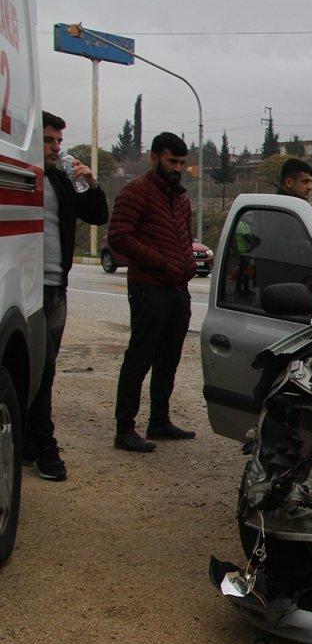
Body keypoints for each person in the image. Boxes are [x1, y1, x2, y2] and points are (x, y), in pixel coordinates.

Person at [25, 112, 109, 480]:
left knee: (45, 371)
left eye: (59, 141)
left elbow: (97, 214)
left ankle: (34, 444)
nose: (56, 147)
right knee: (33, 371)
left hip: (55, 288)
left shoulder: (60, 179)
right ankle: (42, 446)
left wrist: (91, 183)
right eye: (48, 140)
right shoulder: (18, 176)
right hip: (22, 288)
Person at [108, 133, 197, 452]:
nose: (177, 168)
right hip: (148, 287)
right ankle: (125, 429)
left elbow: (185, 238)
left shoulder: (181, 198)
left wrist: (186, 264)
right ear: (154, 157)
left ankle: (159, 421)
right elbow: (119, 235)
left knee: (169, 359)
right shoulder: (137, 192)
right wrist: (160, 262)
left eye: (181, 163)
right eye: (171, 161)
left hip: (177, 289)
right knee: (140, 357)